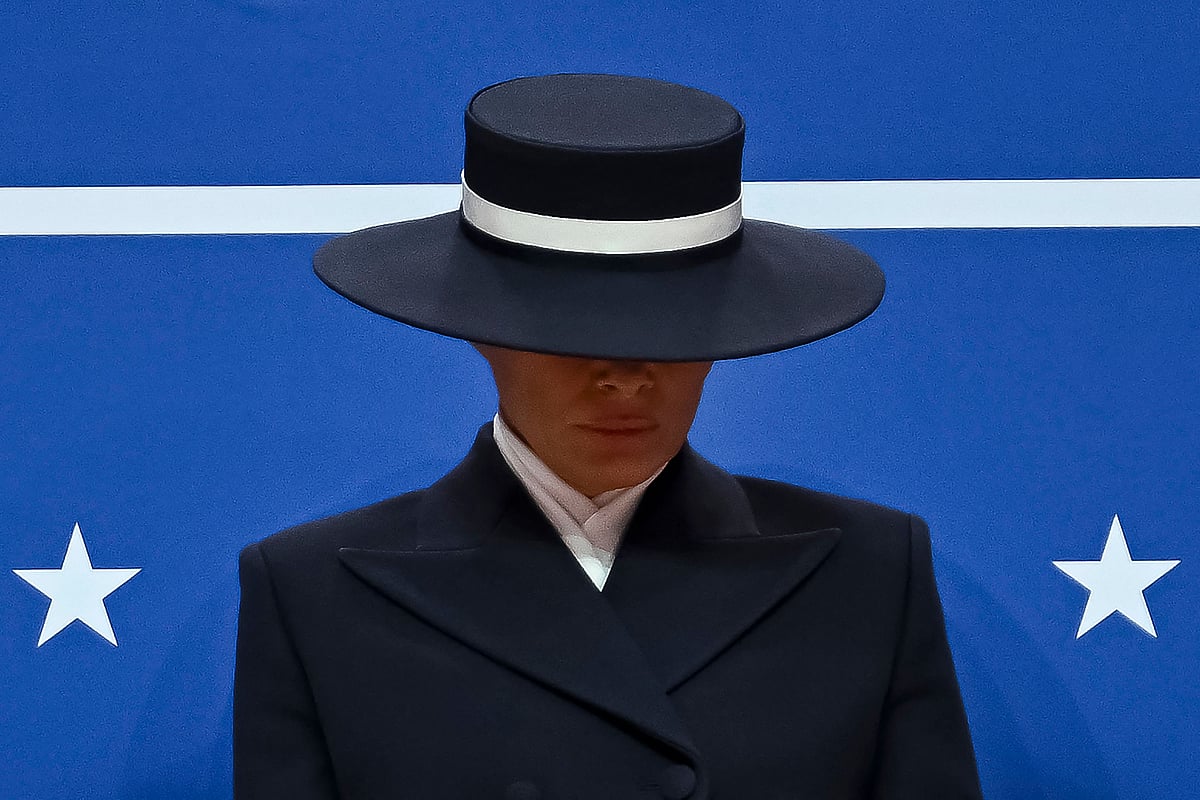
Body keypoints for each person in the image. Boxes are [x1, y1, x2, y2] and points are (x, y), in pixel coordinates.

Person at [233, 74, 983, 799]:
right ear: (478, 335)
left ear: (722, 340)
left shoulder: (868, 573)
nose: (624, 375)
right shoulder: (314, 591)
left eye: (671, 330)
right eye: (569, 332)